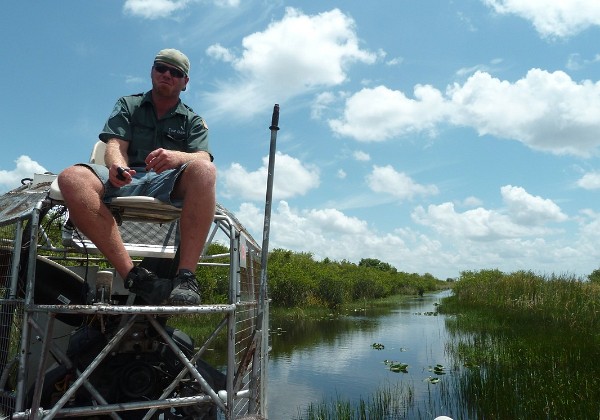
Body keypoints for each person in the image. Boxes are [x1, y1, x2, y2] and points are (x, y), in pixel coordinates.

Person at [57, 48, 216, 306]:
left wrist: (178, 157)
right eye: (161, 68)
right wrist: (118, 167)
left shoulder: (193, 120)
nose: (167, 74)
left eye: (175, 72)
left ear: (185, 82)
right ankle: (133, 276)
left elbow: (203, 158)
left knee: (206, 171)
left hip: (168, 183)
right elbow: (115, 144)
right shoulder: (127, 104)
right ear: (152, 71)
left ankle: (185, 278)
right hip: (127, 179)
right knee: (71, 178)